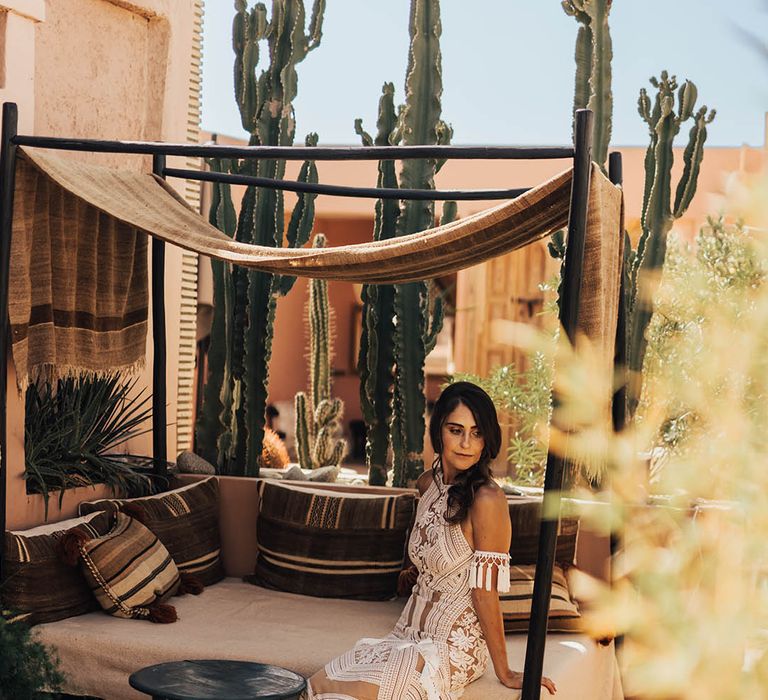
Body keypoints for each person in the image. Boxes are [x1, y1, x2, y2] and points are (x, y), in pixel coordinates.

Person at [307, 381, 557, 699]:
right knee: (314, 686)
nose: (466, 443)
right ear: (438, 430)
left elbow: (485, 594)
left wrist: (504, 671)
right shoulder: (428, 484)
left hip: (450, 650)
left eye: (477, 432)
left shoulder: (487, 499)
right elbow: (430, 554)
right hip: (404, 635)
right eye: (456, 430)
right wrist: (412, 574)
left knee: (334, 691)